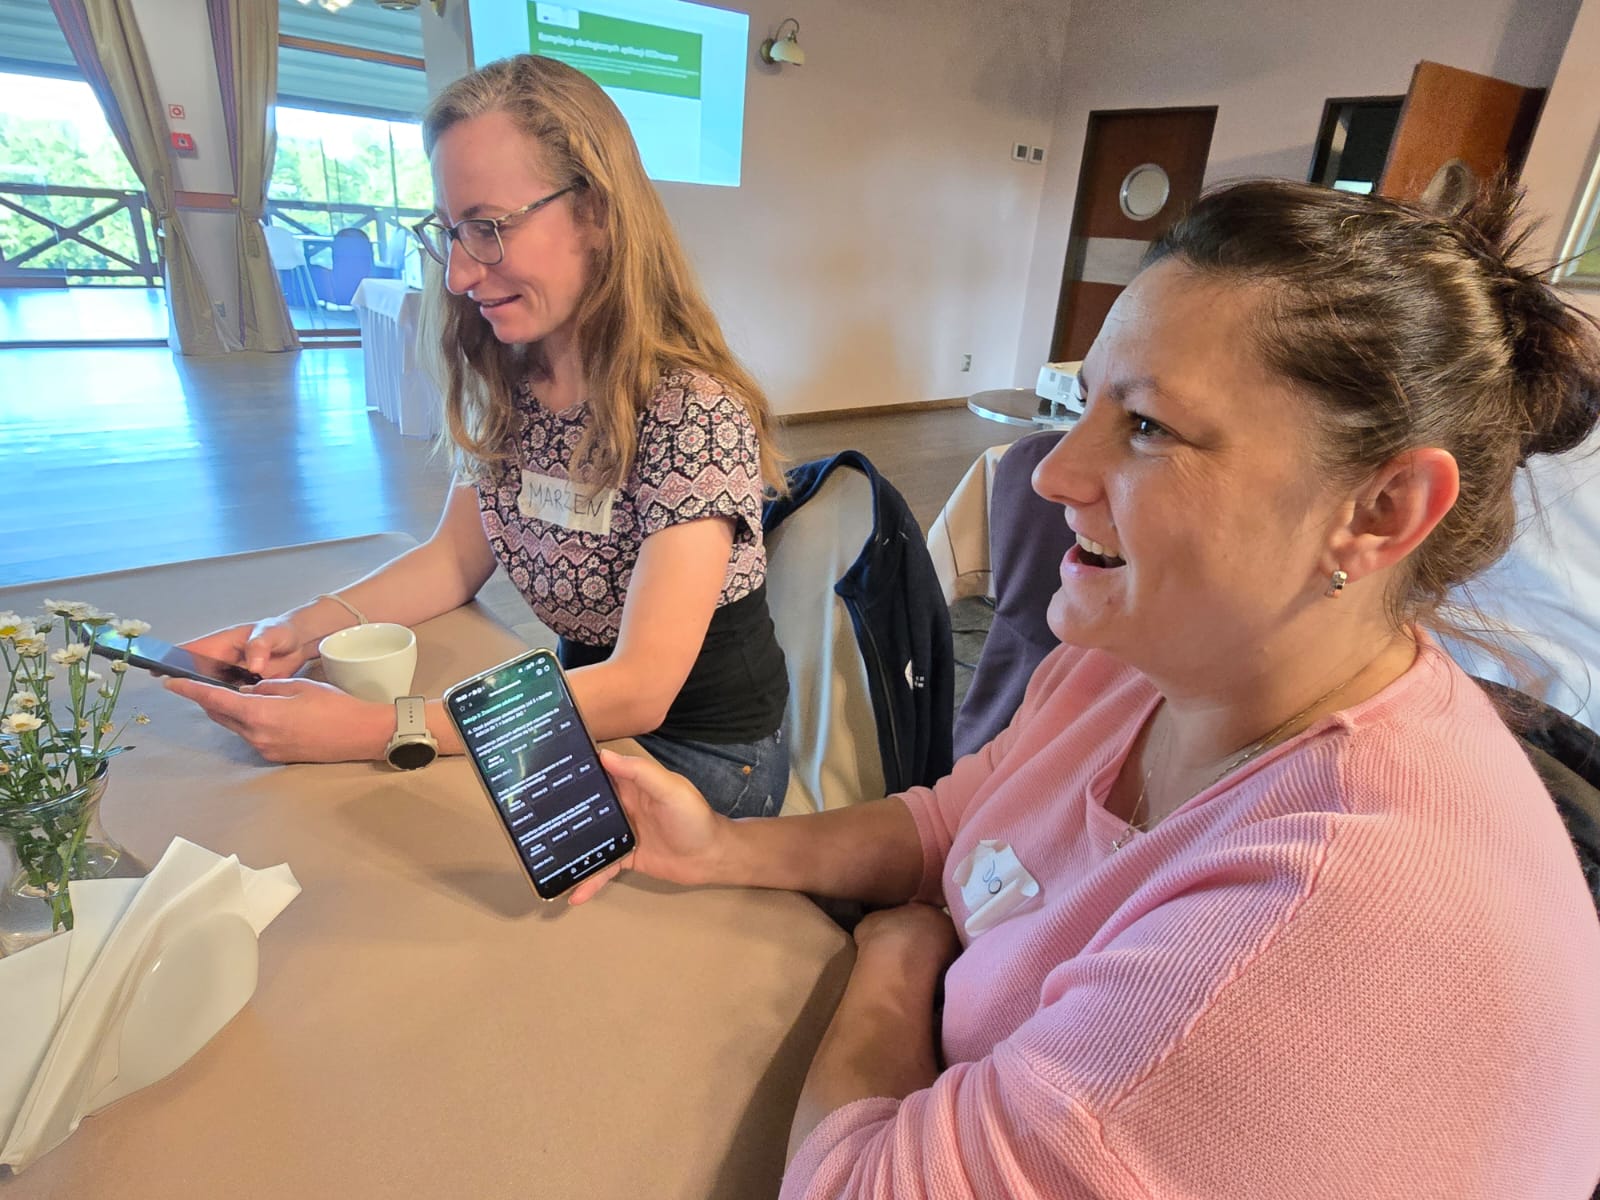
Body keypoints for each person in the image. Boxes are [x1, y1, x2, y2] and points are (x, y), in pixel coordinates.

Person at [569, 179, 1600, 1197]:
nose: (1052, 475)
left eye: (1146, 426)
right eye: (1087, 403)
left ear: (1380, 510)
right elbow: (960, 824)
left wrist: (900, 960)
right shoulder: (1143, 658)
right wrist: (720, 847)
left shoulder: (1317, 926)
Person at [168, 55, 791, 817]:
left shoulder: (692, 412)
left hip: (702, 756)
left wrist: (375, 728)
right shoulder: (514, 379)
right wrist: (296, 632)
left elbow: (639, 689)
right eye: (451, 232)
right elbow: (455, 559)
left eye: (488, 229)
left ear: (597, 214)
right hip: (584, 712)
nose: (459, 275)